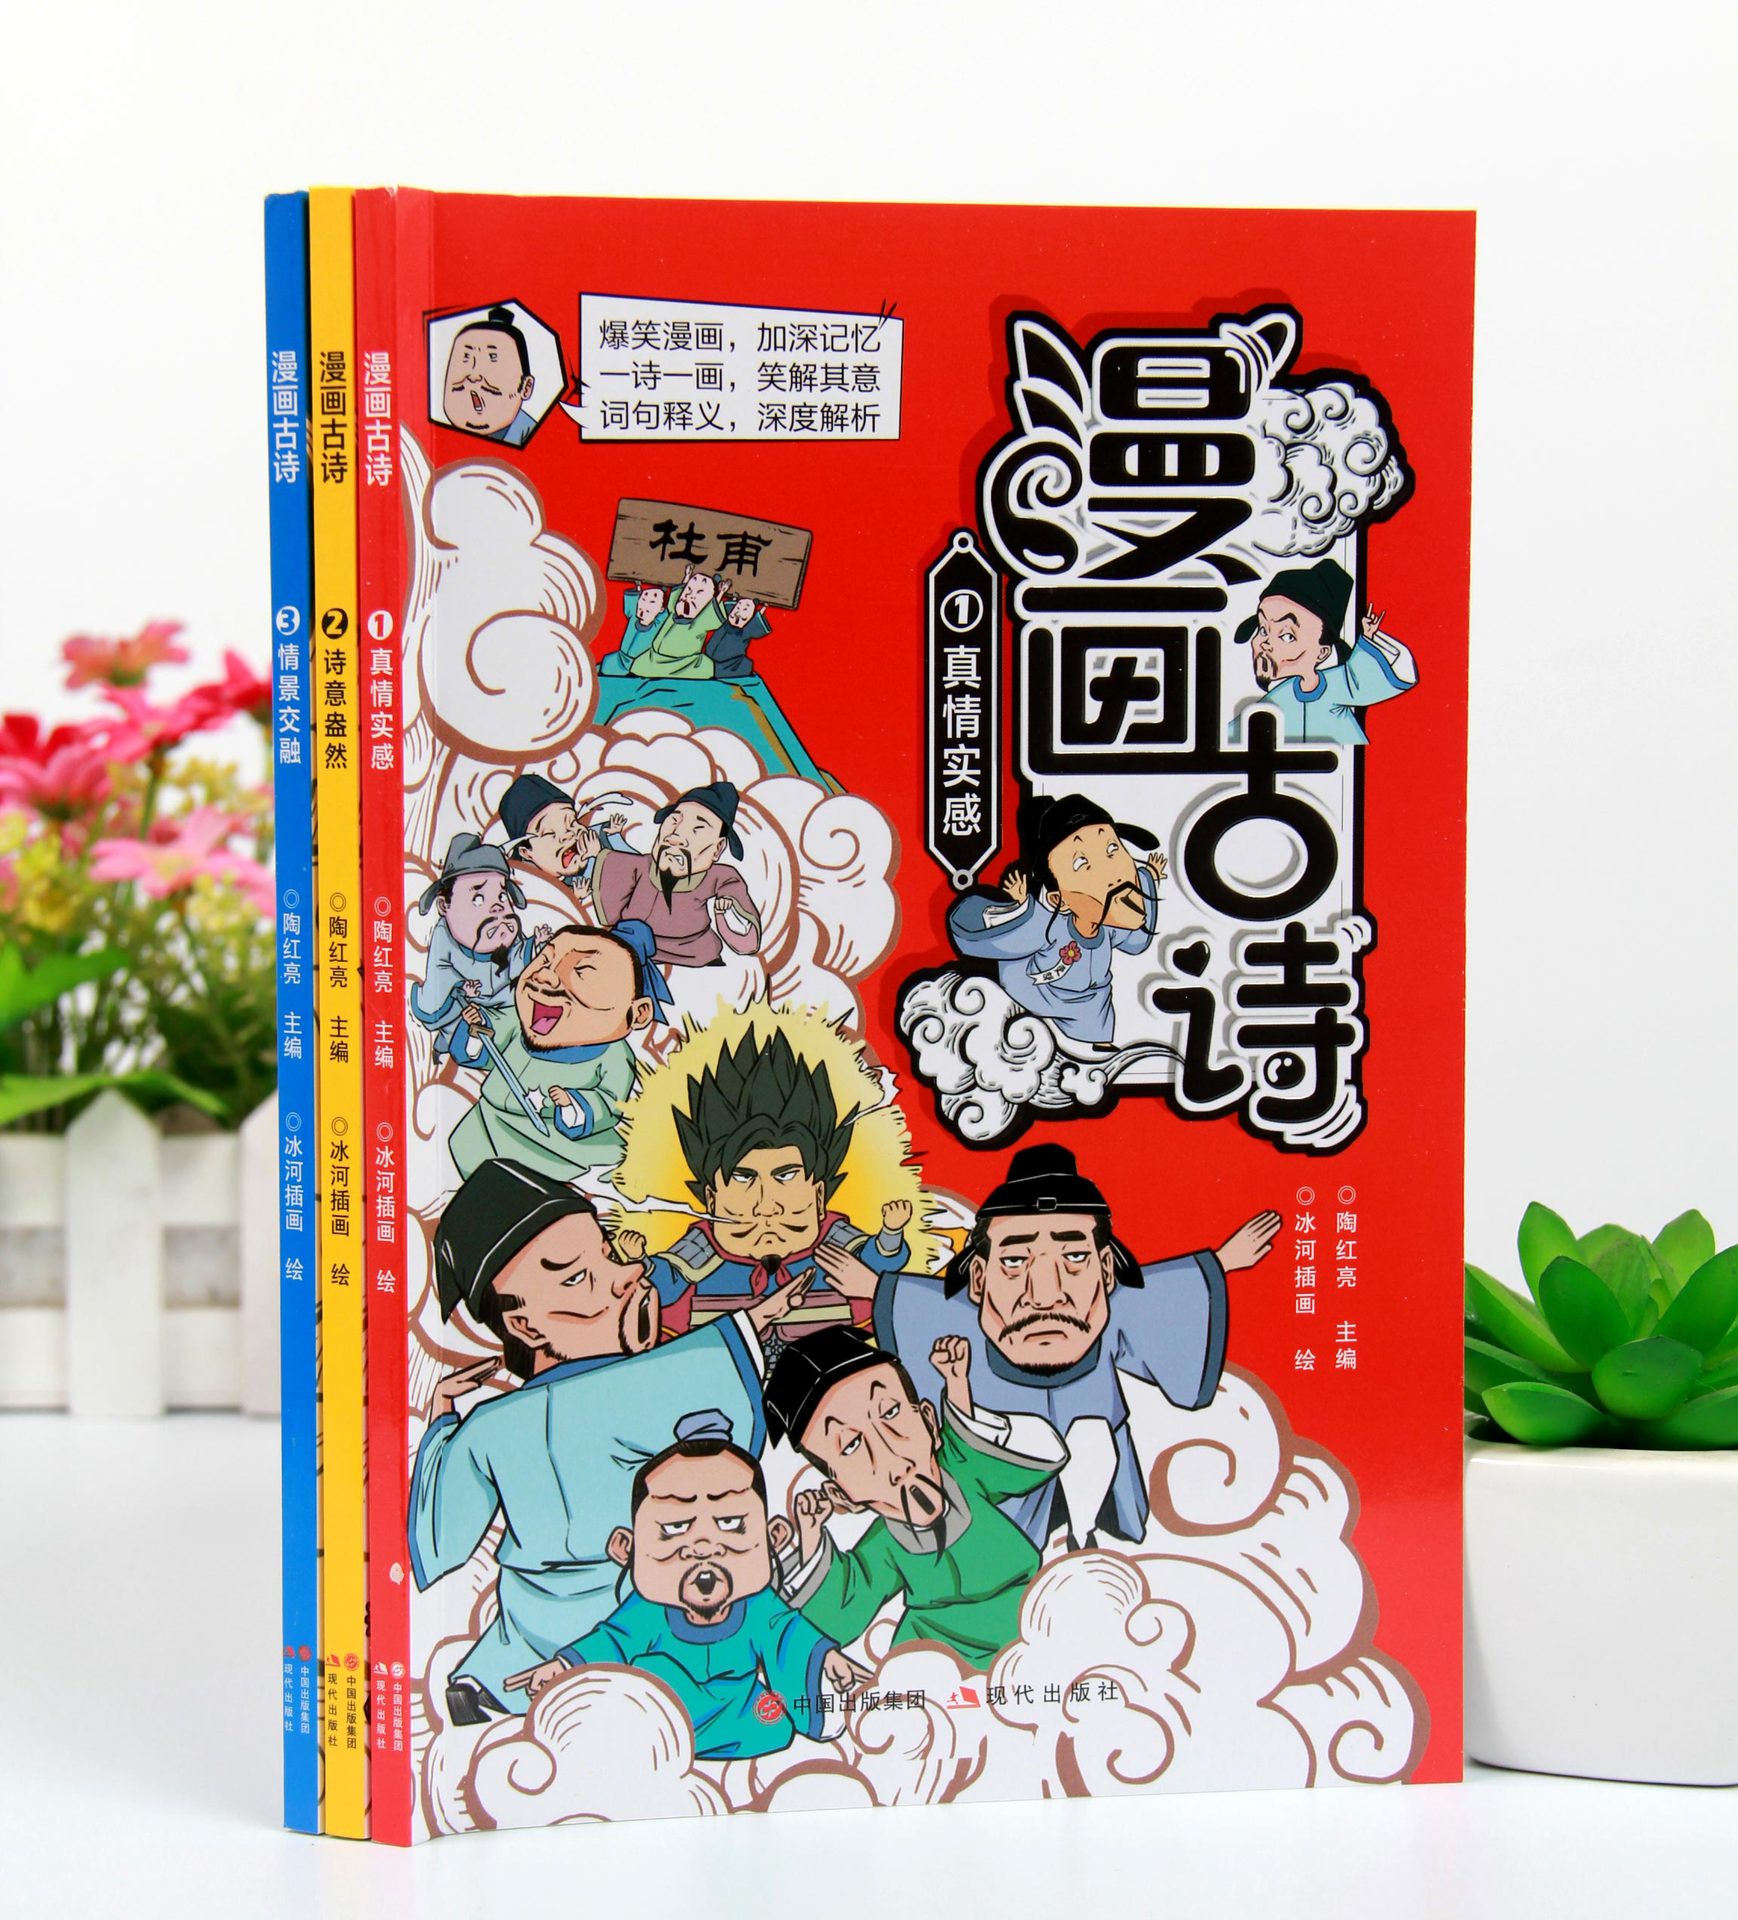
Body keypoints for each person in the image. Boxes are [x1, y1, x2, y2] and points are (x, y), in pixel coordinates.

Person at [410, 1163, 817, 1724]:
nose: (626, 1276)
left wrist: (441, 1424)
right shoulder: (631, 1386)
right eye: (579, 1277)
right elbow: (685, 1383)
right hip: (638, 1641)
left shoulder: (489, 1424)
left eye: (607, 1255)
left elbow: (437, 1541)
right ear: (526, 1327)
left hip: (522, 1658)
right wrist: (747, 1328)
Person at [872, 1144, 1280, 1552]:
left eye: (1075, 1256)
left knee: (1096, 1450)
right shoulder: (960, 1318)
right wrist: (872, 1287)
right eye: (1014, 1261)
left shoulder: (1116, 1305)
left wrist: (1220, 1263)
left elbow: (1165, 1294)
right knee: (999, 1539)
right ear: (978, 1278)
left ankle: (1089, 1533)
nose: (1045, 1294)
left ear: (1106, 1271)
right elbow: (915, 1302)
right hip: (1005, 1471)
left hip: (1100, 1461)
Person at [506, 1411, 866, 1758]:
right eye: (675, 1528)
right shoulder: (649, 1611)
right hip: (662, 1709)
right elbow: (611, 1641)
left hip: (737, 1712)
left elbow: (788, 1635)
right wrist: (564, 1665)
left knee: (774, 1726)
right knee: (650, 1681)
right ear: (627, 1548)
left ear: (774, 1537)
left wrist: (825, 1659)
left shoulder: (759, 1606)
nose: (704, 1546)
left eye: (731, 1524)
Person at [766, 1326, 1068, 1668]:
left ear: (928, 1420)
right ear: (842, 1494)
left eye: (890, 1412)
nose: (891, 1456)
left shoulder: (963, 1469)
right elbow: (841, 1616)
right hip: (937, 1653)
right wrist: (809, 1537)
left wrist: (957, 1386)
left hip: (1031, 1619)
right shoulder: (884, 1546)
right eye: (850, 1446)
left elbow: (1027, 1464)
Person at [626, 1026, 912, 1340]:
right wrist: (642, 1262)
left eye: (786, 1176)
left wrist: (890, 1234)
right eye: (743, 1177)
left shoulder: (833, 1243)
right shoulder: (702, 1249)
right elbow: (665, 1286)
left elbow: (876, 1263)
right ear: (711, 1200)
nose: (766, 1206)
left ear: (819, 1197)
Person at [446, 922, 672, 1180]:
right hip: (488, 1124)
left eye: (582, 972)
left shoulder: (614, 1057)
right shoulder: (517, 1021)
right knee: (468, 1157)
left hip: (557, 1147)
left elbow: (610, 1102)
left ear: (638, 1013)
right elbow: (482, 1049)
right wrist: (476, 1030)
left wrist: (572, 1104)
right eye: (545, 959)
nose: (545, 976)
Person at [946, 793, 1167, 1047]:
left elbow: (1135, 931)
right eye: (1082, 863)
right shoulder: (1046, 926)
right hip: (1037, 993)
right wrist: (1022, 906)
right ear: (1058, 900)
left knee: (1097, 1027)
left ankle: (1099, 1047)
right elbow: (990, 935)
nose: (1114, 873)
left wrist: (1149, 876)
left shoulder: (1110, 929)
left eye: (1112, 849)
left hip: (1090, 1003)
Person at [1233, 558, 1417, 745]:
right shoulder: (1280, 697)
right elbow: (1234, 734)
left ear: (1322, 652)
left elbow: (1383, 677)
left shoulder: (1337, 685)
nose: (1265, 643)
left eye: (1287, 636)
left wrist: (1367, 638)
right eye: (1263, 630)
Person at [590, 781, 762, 970]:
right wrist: (595, 854)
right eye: (674, 821)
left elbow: (744, 927)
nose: (675, 836)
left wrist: (726, 911)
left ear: (718, 848)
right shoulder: (641, 866)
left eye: (698, 828)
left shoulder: (717, 876)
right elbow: (613, 867)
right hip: (632, 949)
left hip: (694, 956)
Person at [410, 834, 540, 1056]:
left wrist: (535, 948)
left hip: (511, 1013)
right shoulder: (444, 941)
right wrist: (462, 989)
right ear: (444, 906)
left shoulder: (506, 932)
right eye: (478, 899)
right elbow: (435, 995)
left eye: (502, 896)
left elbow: (521, 966)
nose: (497, 908)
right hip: (467, 1023)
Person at [440, 307, 538, 447]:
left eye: (492, 358)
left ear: (526, 387)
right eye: (466, 357)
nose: (473, 376)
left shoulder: (533, 437)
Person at [630, 565, 722, 679]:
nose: (689, 595)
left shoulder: (701, 621)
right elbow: (678, 594)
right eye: (689, 589)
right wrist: (687, 576)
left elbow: (712, 609)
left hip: (685, 664)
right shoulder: (674, 608)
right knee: (637, 667)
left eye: (699, 592)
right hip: (653, 659)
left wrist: (721, 593)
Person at [601, 584, 671, 678]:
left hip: (641, 665)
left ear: (661, 609)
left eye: (652, 602)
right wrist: (638, 586)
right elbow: (632, 598)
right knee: (605, 666)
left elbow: (672, 607)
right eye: (643, 599)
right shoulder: (633, 615)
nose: (646, 604)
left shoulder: (659, 623)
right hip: (620, 661)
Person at [705, 594, 772, 679]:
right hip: (709, 657)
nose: (738, 612)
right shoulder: (725, 621)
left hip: (730, 662)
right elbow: (727, 609)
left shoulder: (746, 631)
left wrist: (763, 609)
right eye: (737, 607)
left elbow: (756, 621)